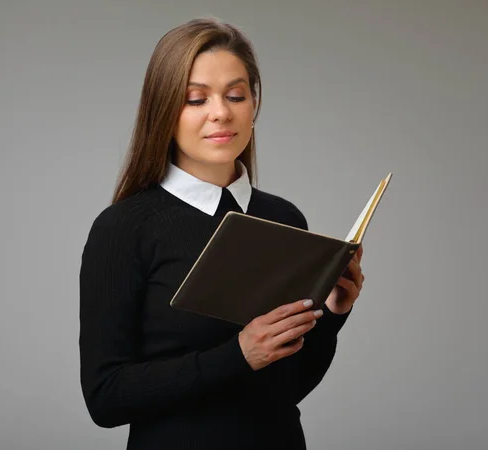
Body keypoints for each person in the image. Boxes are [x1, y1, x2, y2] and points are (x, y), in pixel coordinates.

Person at [79, 17, 365, 450]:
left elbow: (287, 387)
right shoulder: (124, 227)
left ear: (254, 103)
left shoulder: (284, 218)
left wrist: (332, 314)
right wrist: (238, 355)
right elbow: (106, 398)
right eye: (196, 99)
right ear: (164, 110)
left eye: (236, 95)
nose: (221, 112)